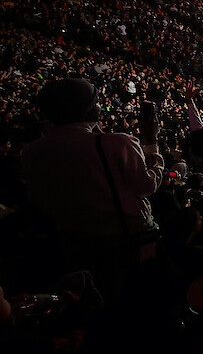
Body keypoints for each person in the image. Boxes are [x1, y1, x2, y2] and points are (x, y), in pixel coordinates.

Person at [21, 78, 164, 297]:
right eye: (96, 102)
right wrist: (151, 140)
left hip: (71, 239)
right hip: (124, 239)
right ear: (85, 108)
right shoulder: (117, 143)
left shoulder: (33, 151)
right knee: (127, 295)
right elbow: (145, 186)